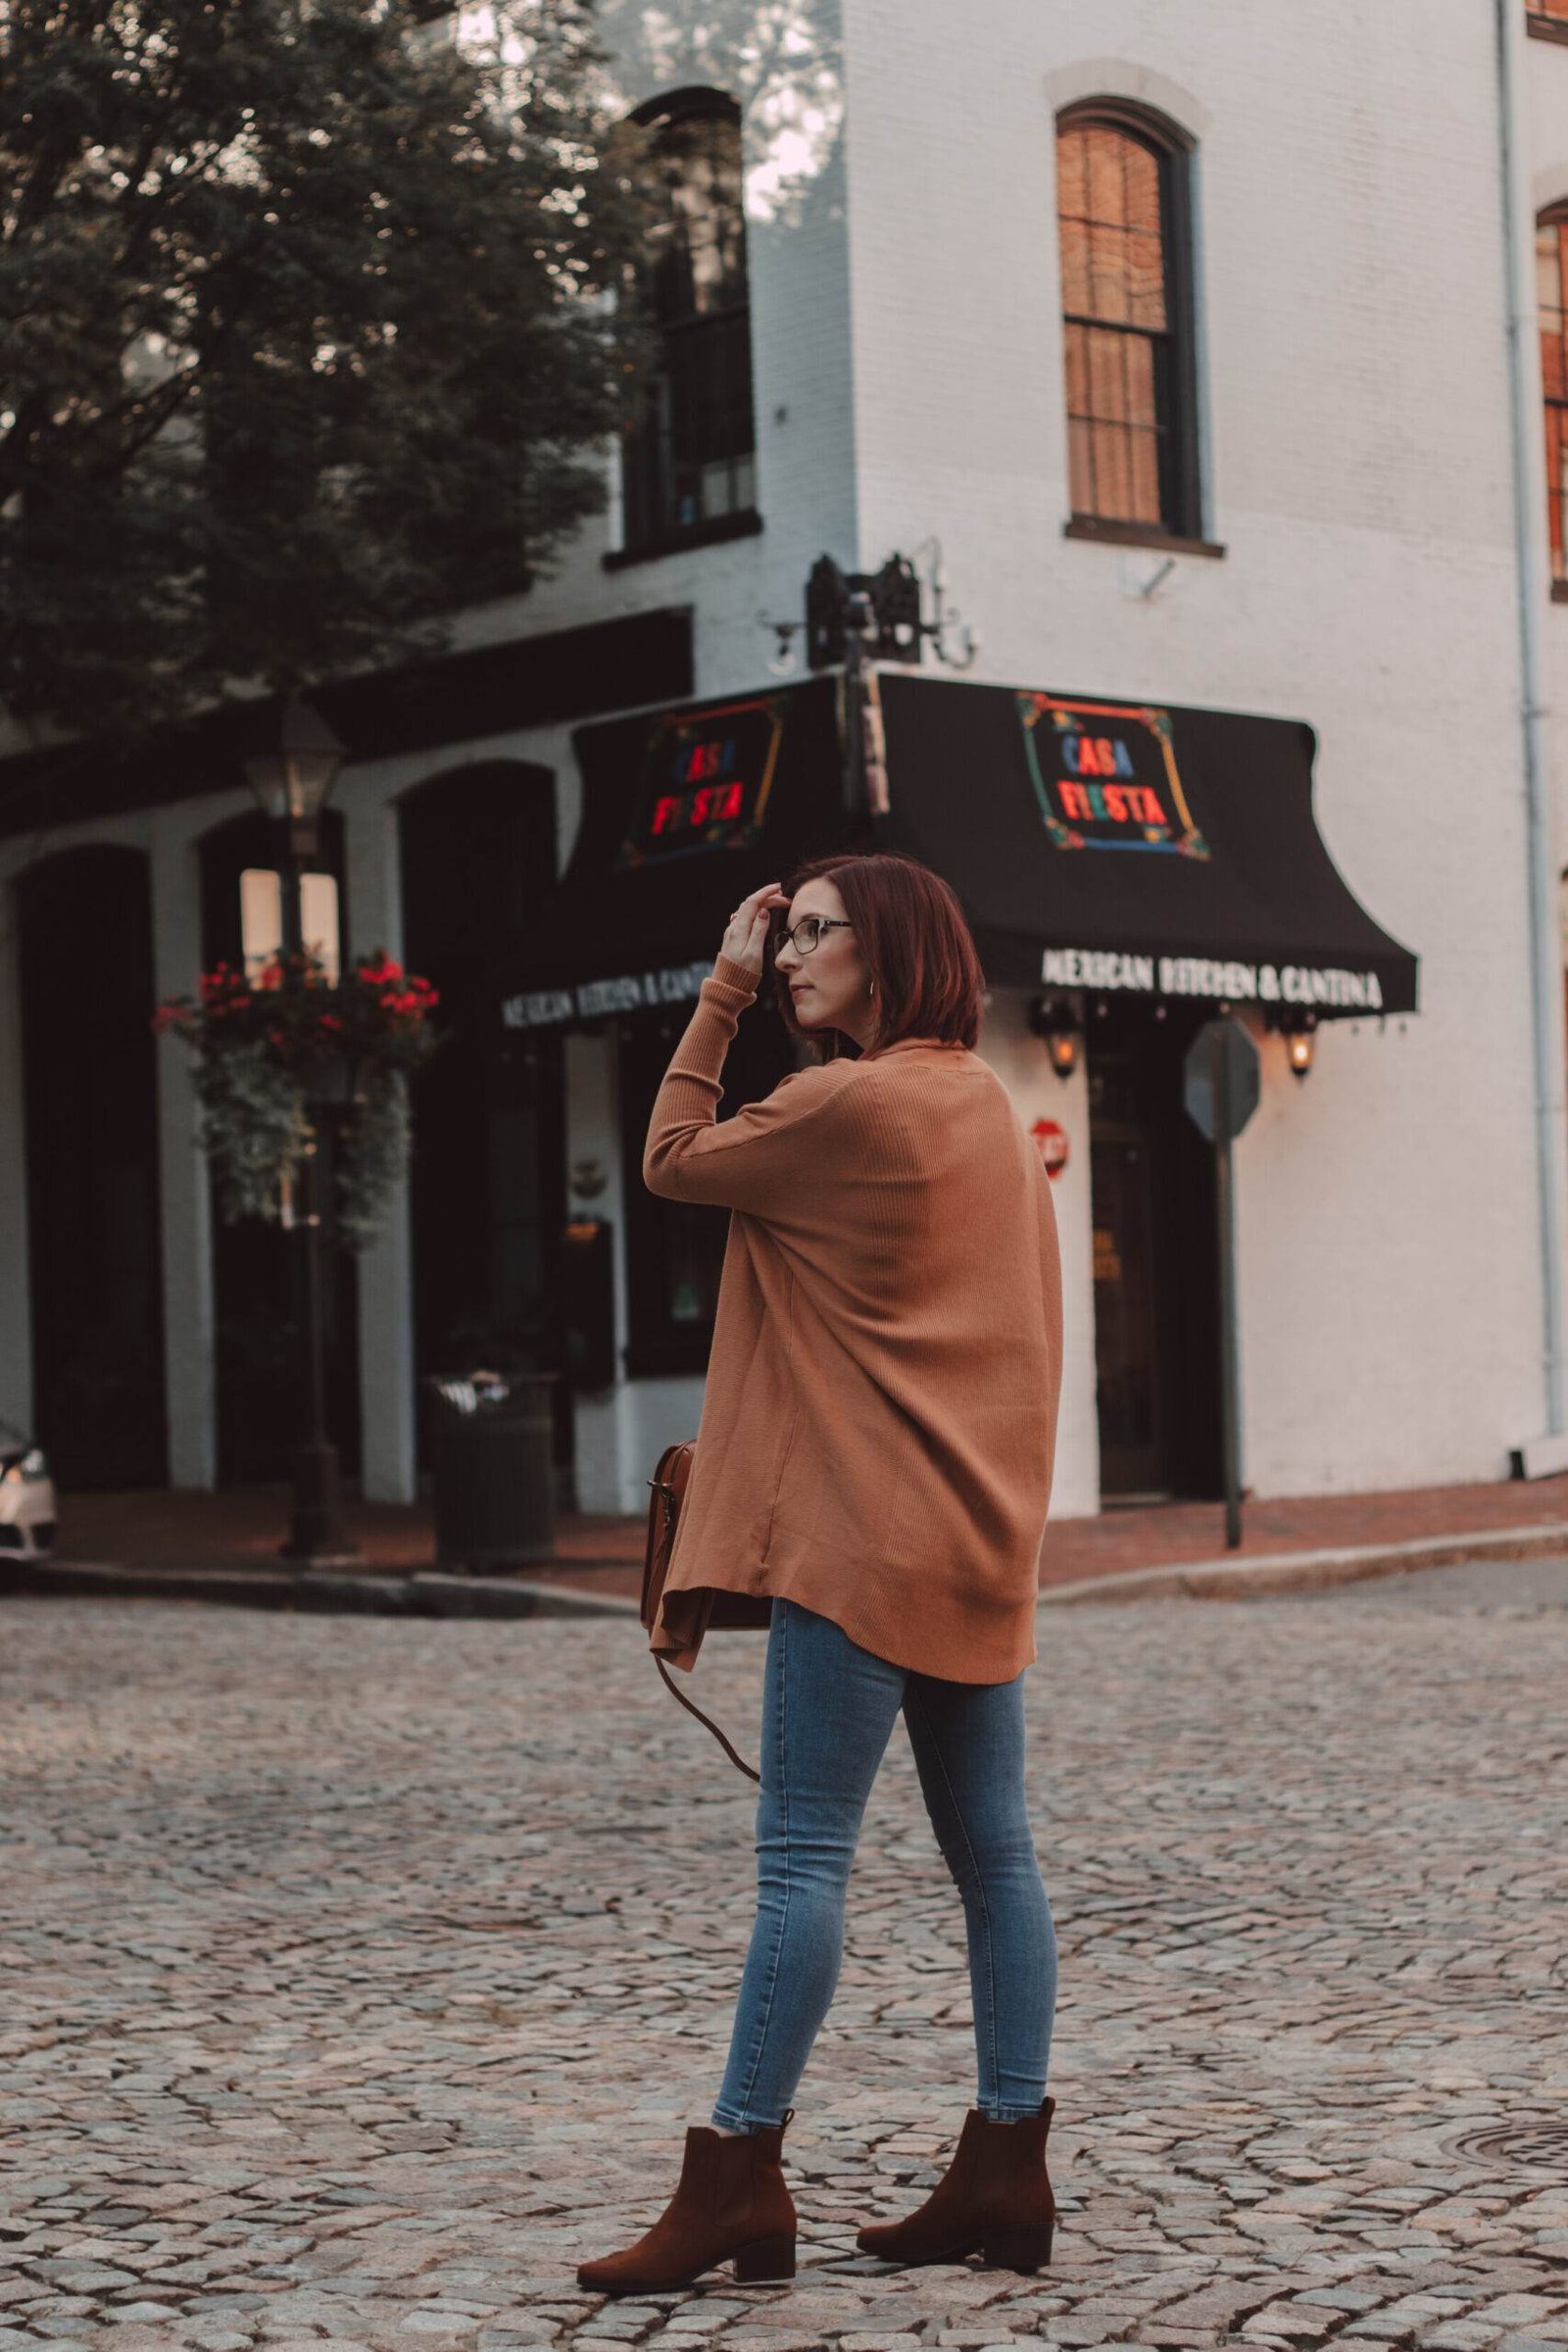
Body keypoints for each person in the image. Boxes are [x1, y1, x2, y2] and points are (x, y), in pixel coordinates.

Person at [576, 851, 1064, 2298]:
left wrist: (717, 992)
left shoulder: (839, 1104)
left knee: (802, 1860)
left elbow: (668, 1157)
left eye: (814, 936)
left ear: (894, 949)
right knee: (1000, 1862)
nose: (789, 957)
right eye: (780, 942)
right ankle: (1008, 2161)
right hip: (975, 1541)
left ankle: (737, 2175)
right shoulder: (984, 1105)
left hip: (853, 1550)